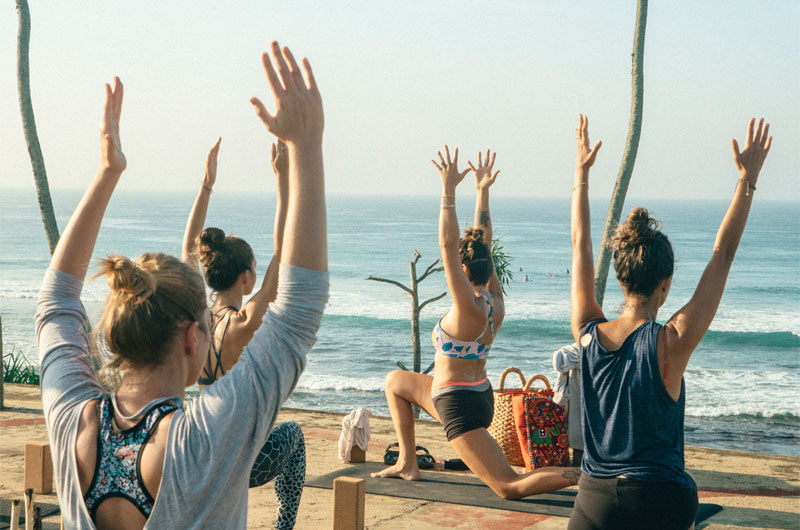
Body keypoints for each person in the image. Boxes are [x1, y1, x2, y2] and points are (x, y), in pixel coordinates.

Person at [36, 41, 328, 529]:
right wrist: (307, 146)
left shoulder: (71, 423)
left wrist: (108, 172)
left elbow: (56, 301)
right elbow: (297, 312)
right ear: (191, 336)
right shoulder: (209, 434)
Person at [568, 115, 772, 529]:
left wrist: (582, 174)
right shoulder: (671, 342)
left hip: (595, 500)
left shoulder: (587, 332)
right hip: (658, 500)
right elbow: (722, 255)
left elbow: (580, 245)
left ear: (621, 279)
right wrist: (746, 181)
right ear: (666, 284)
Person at [372, 147, 580, 499]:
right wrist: (482, 191)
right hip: (476, 394)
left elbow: (447, 242)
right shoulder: (495, 302)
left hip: (458, 407)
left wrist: (449, 191)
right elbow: (483, 241)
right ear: (488, 266)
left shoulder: (466, 307)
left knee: (507, 487)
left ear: (463, 270)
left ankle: (580, 475)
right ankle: (408, 462)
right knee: (396, 382)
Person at [180, 132, 304, 527]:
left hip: (197, 454)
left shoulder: (197, 319)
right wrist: (283, 179)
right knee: (295, 437)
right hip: (242, 461)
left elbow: (187, 249)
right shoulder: (244, 323)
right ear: (247, 276)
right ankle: (283, 527)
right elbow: (284, 249)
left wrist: (207, 184)